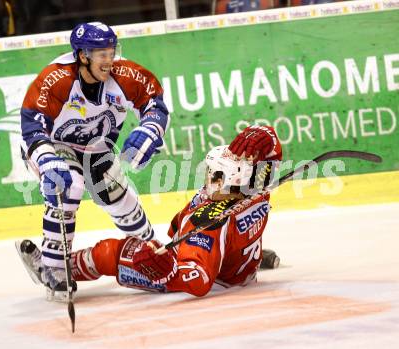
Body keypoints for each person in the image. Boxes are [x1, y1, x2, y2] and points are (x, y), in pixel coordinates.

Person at [18, 126, 282, 297]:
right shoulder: (258, 192)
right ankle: (242, 262)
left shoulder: (207, 221)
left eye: (216, 175)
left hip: (214, 282)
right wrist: (266, 134)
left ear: (232, 179)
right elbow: (270, 160)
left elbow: (198, 279)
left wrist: (167, 272)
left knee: (114, 251)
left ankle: (59, 269)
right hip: (236, 271)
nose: (209, 178)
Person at [17, 21, 169, 299]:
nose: (109, 60)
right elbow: (32, 125)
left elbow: (155, 105)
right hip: (54, 144)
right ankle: (54, 267)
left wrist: (150, 129)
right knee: (69, 185)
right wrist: (47, 158)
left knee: (120, 198)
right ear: (83, 56)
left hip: (96, 149)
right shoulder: (56, 78)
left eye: (111, 52)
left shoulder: (127, 75)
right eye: (101, 54)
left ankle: (152, 249)